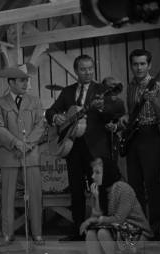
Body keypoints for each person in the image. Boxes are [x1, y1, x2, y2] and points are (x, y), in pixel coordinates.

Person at [46, 55, 125, 242]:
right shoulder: (67, 92)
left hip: (96, 148)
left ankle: (104, 231)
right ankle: (78, 231)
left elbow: (115, 113)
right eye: (83, 69)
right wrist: (55, 118)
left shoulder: (102, 90)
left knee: (100, 190)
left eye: (90, 68)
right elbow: (51, 111)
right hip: (72, 147)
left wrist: (100, 109)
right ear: (76, 71)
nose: (88, 72)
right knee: (76, 190)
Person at [115, 49, 160, 240]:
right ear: (131, 66)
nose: (138, 68)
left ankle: (154, 230)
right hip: (134, 137)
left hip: (151, 136)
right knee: (135, 186)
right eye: (135, 64)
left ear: (149, 65)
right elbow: (132, 112)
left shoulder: (159, 86)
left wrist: (154, 100)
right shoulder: (130, 85)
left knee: (152, 185)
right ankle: (139, 227)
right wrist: (125, 118)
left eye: (142, 64)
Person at [0, 66, 45, 245]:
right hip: (9, 155)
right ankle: (8, 234)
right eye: (21, 80)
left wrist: (27, 144)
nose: (25, 83)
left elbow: (40, 126)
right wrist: (16, 143)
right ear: (11, 82)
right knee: (7, 197)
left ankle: (37, 233)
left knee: (35, 196)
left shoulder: (35, 101)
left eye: (26, 80)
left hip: (31, 155)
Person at [80, 157, 152, 254]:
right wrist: (96, 198)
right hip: (115, 228)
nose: (93, 176)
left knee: (102, 233)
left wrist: (96, 220)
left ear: (107, 172)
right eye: (93, 172)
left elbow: (119, 218)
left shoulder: (122, 188)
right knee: (91, 234)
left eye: (97, 172)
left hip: (135, 230)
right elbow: (96, 217)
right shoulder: (101, 190)